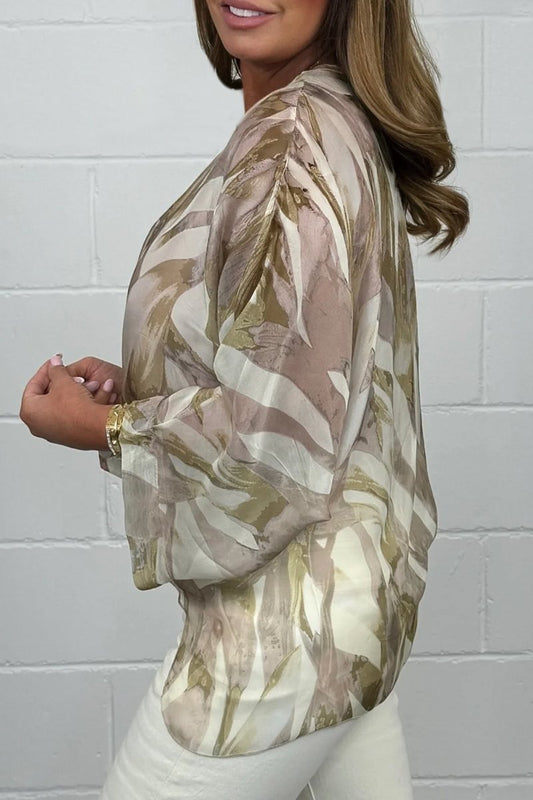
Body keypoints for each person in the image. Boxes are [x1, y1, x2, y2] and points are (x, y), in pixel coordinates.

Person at [20, 1, 469, 798]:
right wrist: (151, 381)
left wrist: (107, 428)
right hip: (351, 608)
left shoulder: (292, 144)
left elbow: (270, 446)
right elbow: (310, 375)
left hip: (281, 638)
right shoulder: (336, 121)